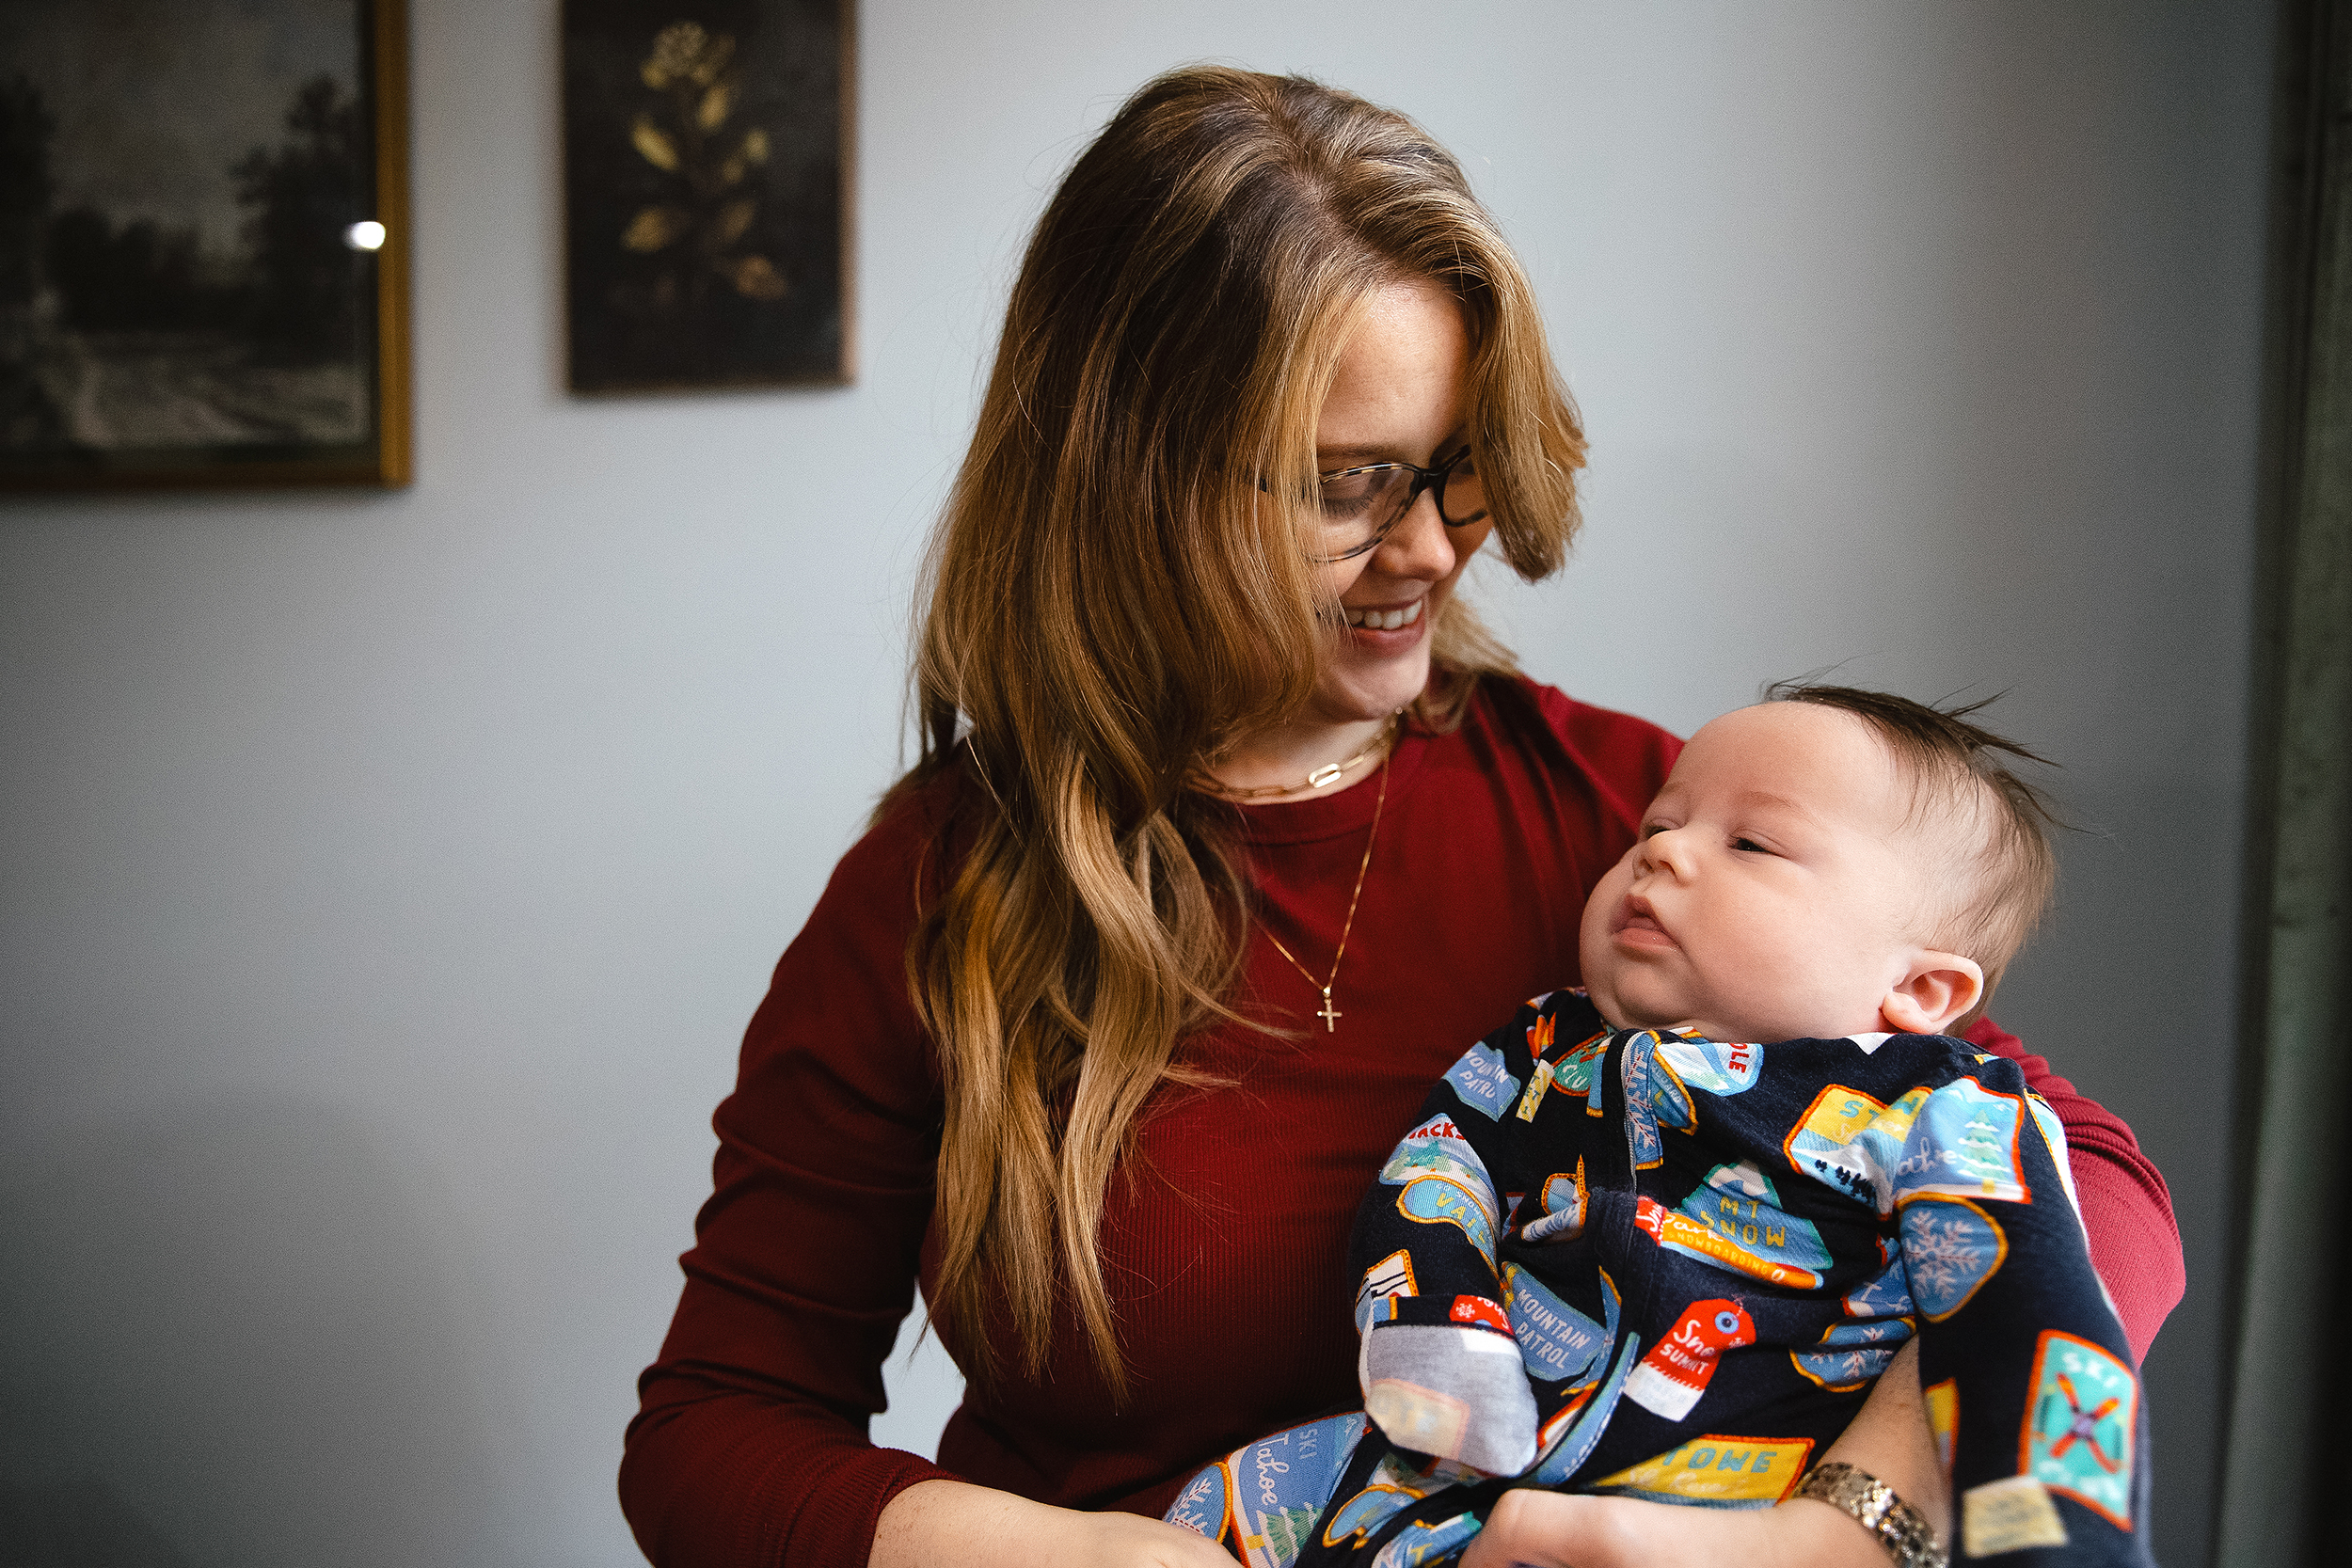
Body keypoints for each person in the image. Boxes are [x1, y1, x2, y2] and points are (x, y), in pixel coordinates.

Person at [617, 67, 2183, 1568]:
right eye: (1348, 484)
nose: (1435, 550)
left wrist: (1845, 1520)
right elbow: (713, 1433)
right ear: (1132, 478)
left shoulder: (1638, 822)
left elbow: (2084, 1178)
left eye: (1460, 467)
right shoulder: (940, 887)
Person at [1166, 688, 2150, 1567]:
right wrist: (1435, 1326)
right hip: (1460, 1460)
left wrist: (2057, 1527)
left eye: (1751, 844)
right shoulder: (1544, 1042)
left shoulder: (1940, 1109)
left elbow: (2028, 1309)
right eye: (1656, 823)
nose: (1660, 850)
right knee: (1227, 1501)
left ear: (1918, 987)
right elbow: (1436, 1171)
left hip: (1737, 1503)